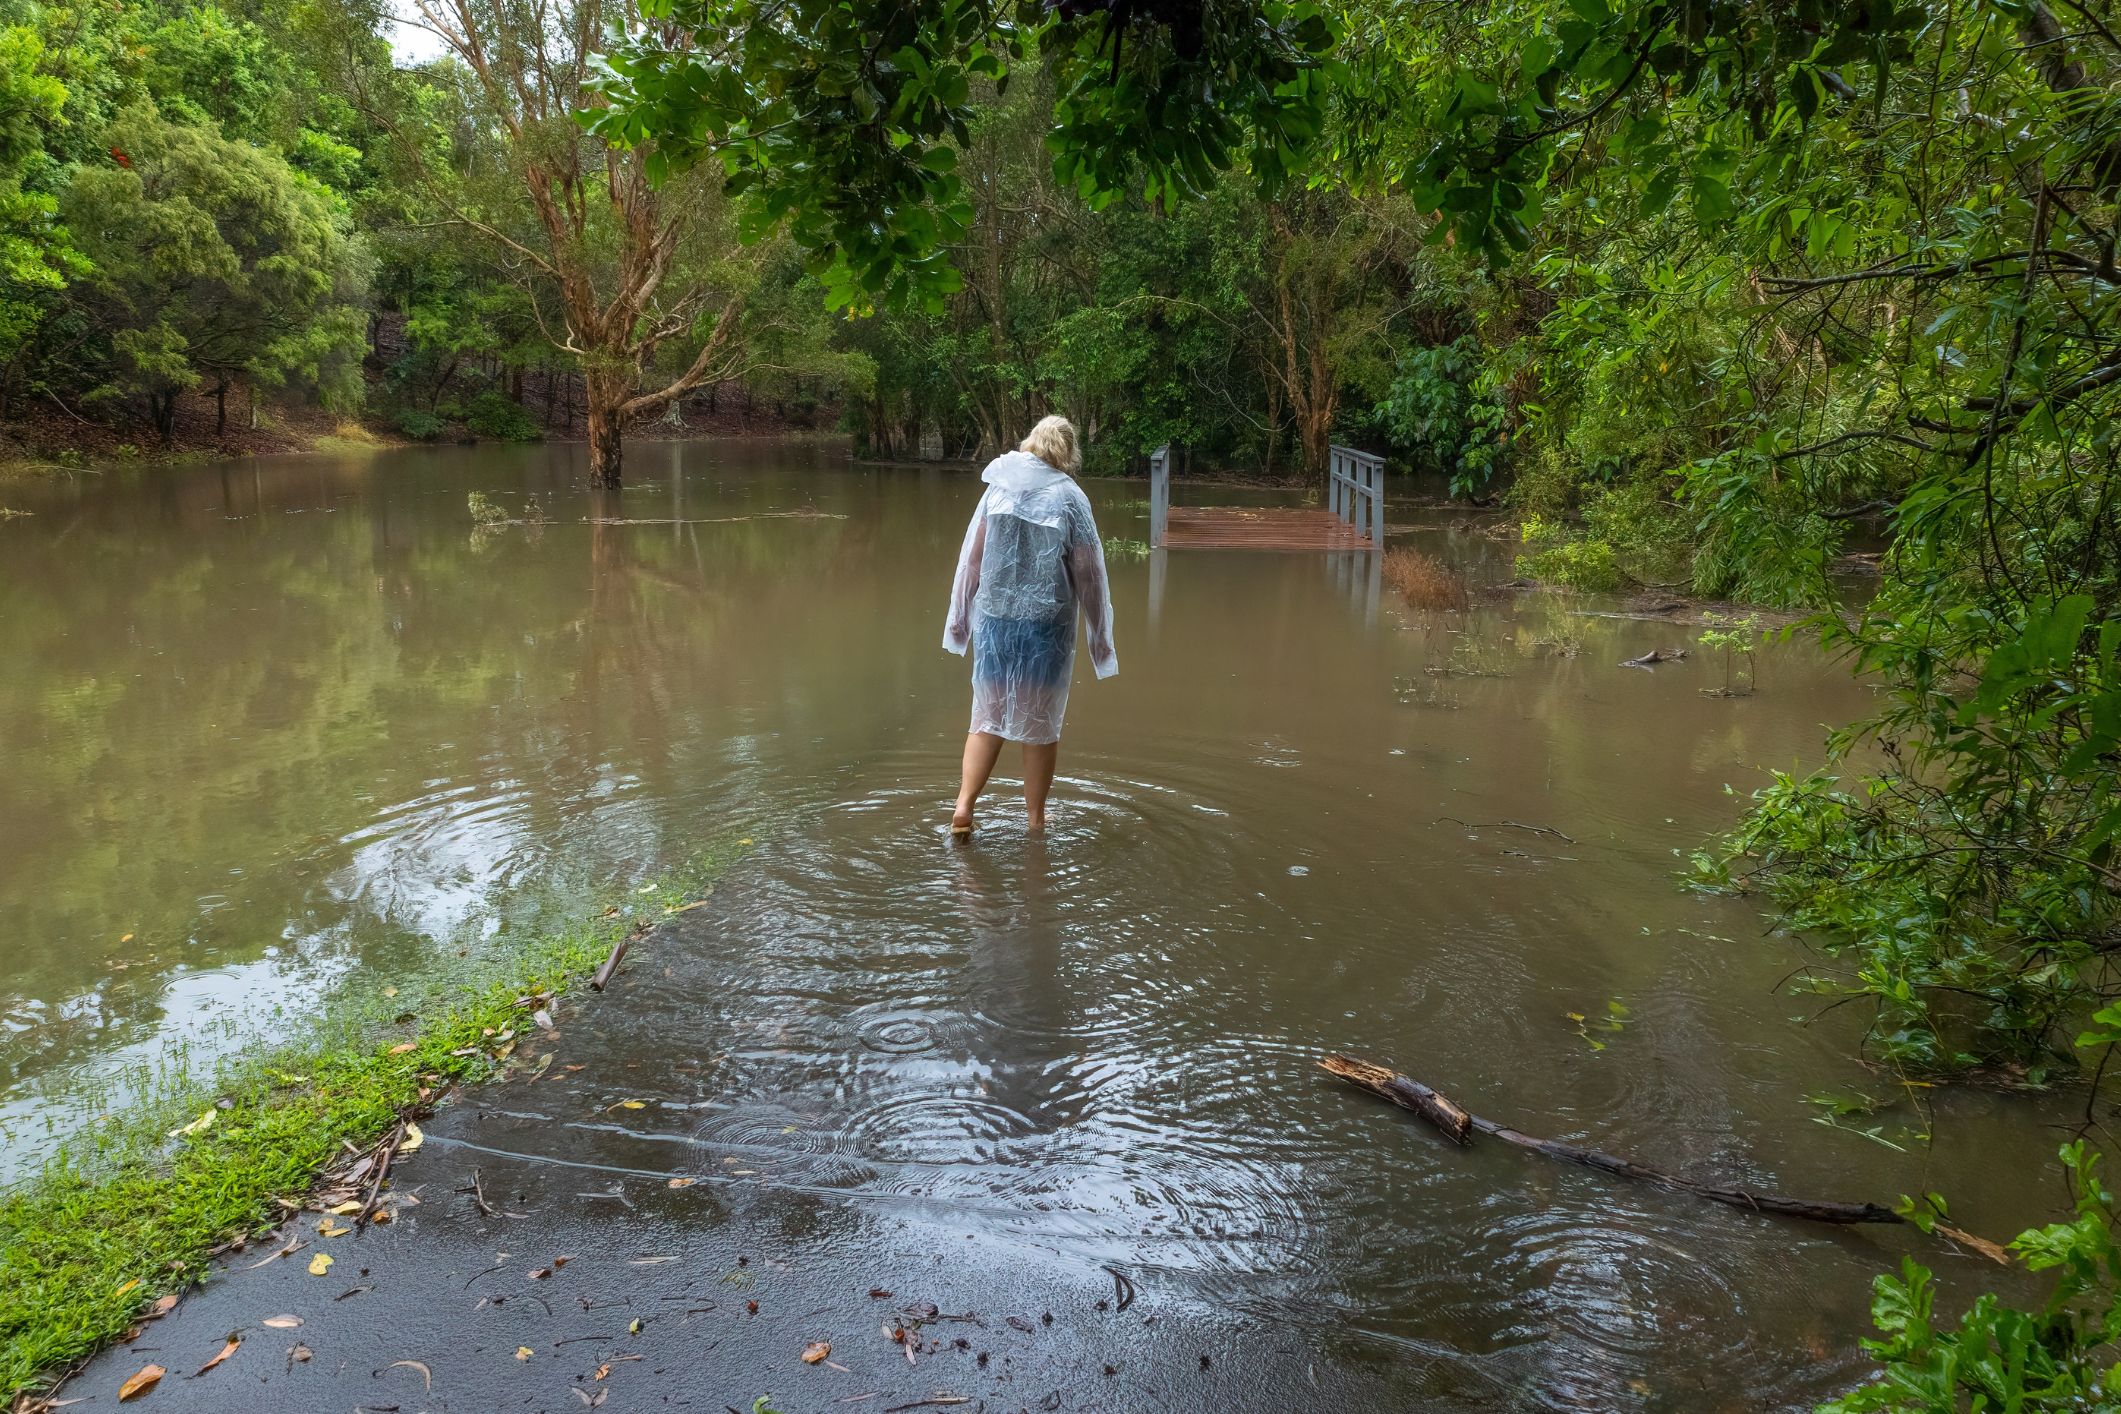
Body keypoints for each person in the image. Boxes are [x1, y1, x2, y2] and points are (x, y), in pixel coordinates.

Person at [942, 415, 1117, 835]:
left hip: (995, 623)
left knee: (986, 717)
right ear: (1068, 454)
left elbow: (972, 559)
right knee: (1039, 725)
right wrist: (1101, 640)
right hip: (1046, 628)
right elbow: (1089, 573)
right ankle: (1036, 820)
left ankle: (964, 806)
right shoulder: (1070, 498)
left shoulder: (996, 489)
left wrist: (959, 622)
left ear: (1030, 443)